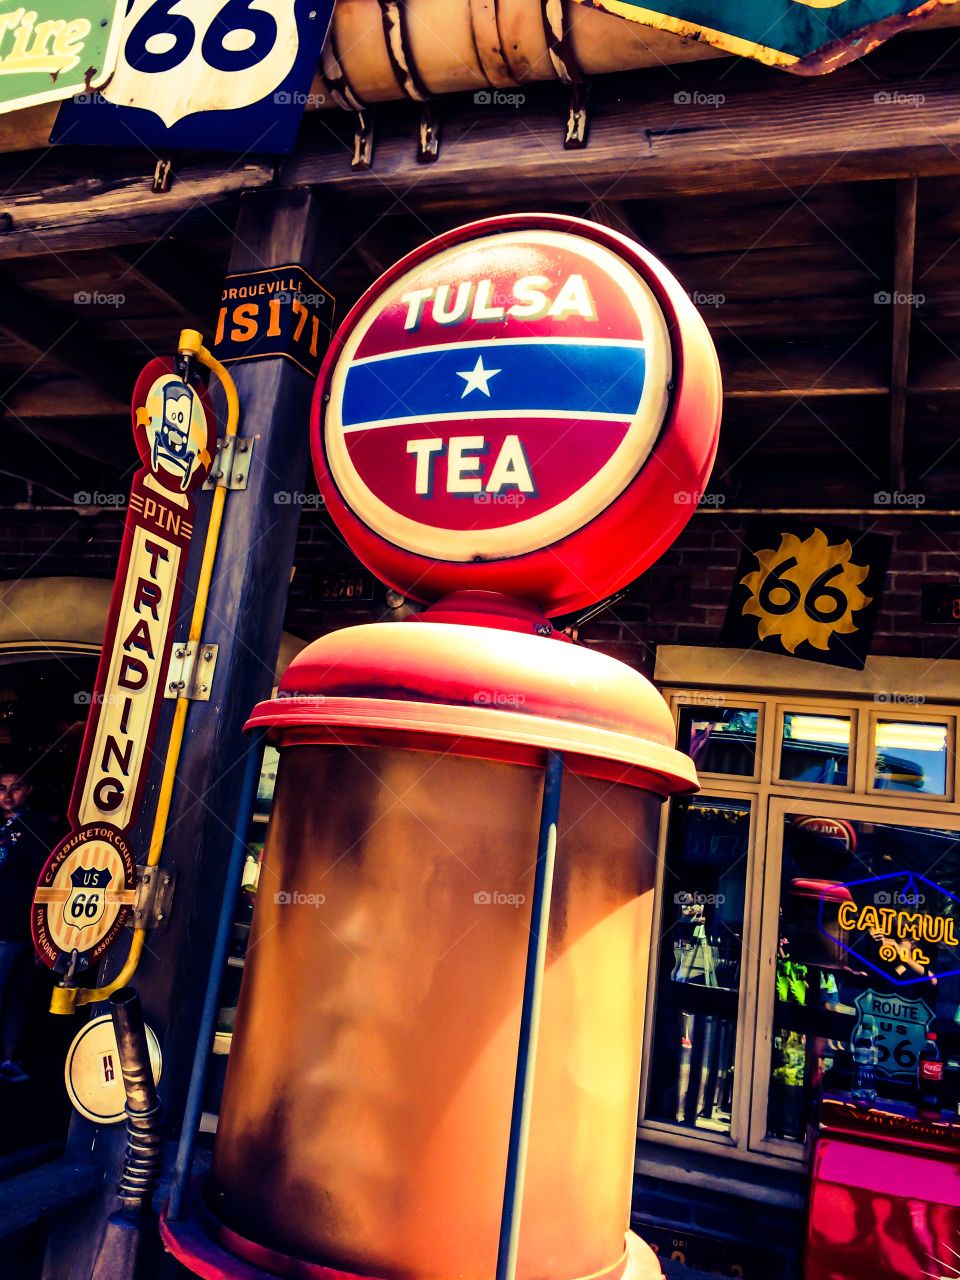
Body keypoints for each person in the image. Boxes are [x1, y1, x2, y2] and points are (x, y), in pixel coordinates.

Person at [0, 765, 54, 1082]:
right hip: (4, 929)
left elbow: (45, 881)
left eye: (15, 787)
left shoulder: (38, 828)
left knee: (17, 998)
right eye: (1, 788)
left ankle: (8, 1059)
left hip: (23, 928)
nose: (7, 795)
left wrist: (42, 935)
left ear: (29, 790)